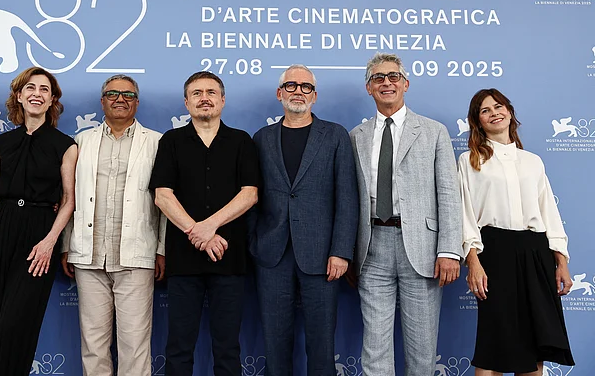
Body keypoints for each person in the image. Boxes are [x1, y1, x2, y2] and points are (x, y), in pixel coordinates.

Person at [349, 52, 462, 376]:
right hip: (371, 249)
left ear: (405, 84)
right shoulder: (356, 136)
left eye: (393, 76)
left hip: (423, 250)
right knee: (375, 349)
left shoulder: (434, 131)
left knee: (422, 350)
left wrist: (449, 250)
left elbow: (448, 194)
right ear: (369, 87)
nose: (386, 83)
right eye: (378, 78)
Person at [250, 64, 358, 375]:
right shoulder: (262, 138)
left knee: (322, 346)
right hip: (271, 255)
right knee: (275, 344)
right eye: (292, 85)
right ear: (279, 93)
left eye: (306, 86)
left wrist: (341, 252)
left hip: (322, 256)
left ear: (314, 95)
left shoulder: (335, 135)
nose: (299, 91)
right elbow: (253, 197)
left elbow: (347, 198)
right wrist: (254, 244)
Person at [150, 71, 259, 376]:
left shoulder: (241, 141)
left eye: (211, 92)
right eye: (196, 93)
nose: (204, 98)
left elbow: (250, 194)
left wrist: (208, 227)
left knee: (227, 347)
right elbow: (162, 196)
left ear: (222, 100)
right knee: (179, 346)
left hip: (230, 257)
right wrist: (196, 232)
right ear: (186, 103)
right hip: (183, 260)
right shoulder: (171, 141)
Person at [460, 88, 574, 375]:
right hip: (494, 252)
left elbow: (549, 213)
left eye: (499, 107)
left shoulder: (532, 161)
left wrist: (561, 261)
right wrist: (473, 261)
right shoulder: (469, 160)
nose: (494, 113)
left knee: (535, 344)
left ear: (509, 112)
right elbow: (464, 215)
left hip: (536, 253)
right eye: (485, 110)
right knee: (493, 343)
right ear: (478, 121)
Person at [61, 74, 165, 376]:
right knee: (93, 343)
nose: (120, 99)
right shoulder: (81, 141)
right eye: (112, 94)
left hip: (136, 255)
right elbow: (69, 196)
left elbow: (165, 201)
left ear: (137, 102)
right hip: (89, 255)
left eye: (128, 94)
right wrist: (67, 244)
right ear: (102, 101)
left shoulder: (157, 142)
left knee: (135, 344)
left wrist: (162, 249)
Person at [0, 66, 77, 376]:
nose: (37, 94)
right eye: (30, 88)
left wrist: (50, 242)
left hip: (40, 232)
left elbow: (69, 200)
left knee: (18, 322)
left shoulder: (66, 145)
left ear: (52, 100)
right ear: (19, 96)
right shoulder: (2, 143)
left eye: (44, 89)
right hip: (1, 227)